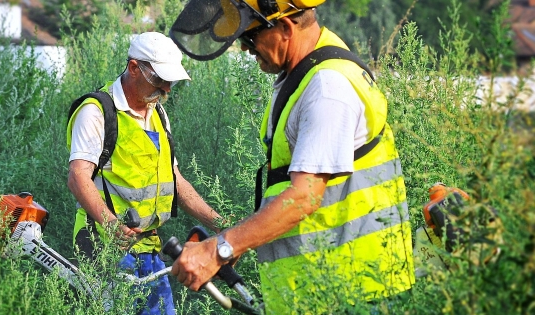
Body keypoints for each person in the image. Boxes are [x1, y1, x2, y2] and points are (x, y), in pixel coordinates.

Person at [168, 1, 415, 313]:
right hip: (326, 288)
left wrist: (220, 249)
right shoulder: (306, 72)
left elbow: (303, 197)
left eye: (250, 37)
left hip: (352, 290)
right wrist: (237, 239)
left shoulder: (327, 87)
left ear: (285, 28)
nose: (246, 49)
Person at [66, 32, 222, 315]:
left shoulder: (159, 114)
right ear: (134, 67)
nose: (167, 89)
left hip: (149, 248)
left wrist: (220, 223)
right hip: (104, 248)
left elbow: (175, 182)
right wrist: (112, 226)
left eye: (170, 81)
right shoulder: (97, 111)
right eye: (160, 79)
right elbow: (78, 177)